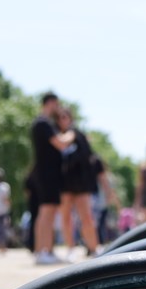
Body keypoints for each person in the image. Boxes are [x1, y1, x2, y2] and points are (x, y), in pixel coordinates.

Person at [29, 92, 75, 264]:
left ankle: (47, 250)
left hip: (50, 175)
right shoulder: (42, 123)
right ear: (50, 103)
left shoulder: (44, 124)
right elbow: (61, 143)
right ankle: (41, 251)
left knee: (49, 212)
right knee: (46, 213)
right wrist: (71, 134)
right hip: (46, 174)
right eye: (56, 104)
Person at [56, 108, 103, 260]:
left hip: (81, 183)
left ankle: (94, 248)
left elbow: (88, 158)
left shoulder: (76, 135)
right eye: (60, 118)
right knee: (66, 217)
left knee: (86, 217)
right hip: (64, 183)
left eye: (65, 117)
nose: (63, 120)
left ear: (70, 119)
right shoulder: (55, 138)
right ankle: (70, 249)